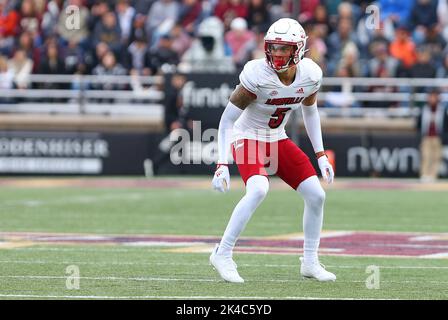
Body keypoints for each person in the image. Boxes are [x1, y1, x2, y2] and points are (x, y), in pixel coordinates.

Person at [210, 18, 336, 283]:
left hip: (277, 138)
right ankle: (223, 253)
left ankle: (310, 262)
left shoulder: (310, 75)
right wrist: (222, 163)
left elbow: (310, 111)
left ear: (298, 49)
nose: (277, 54)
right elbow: (226, 122)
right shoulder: (257, 75)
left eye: (284, 48)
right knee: (258, 189)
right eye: (274, 47)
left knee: (316, 196)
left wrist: (321, 154)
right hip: (248, 136)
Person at [417, 88, 448, 183]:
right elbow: (418, 123)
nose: (433, 99)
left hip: (437, 137)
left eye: (435, 97)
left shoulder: (442, 110)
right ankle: (424, 174)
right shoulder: (424, 109)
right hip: (426, 136)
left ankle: (433, 175)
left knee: (436, 157)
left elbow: (445, 124)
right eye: (431, 97)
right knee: (426, 156)